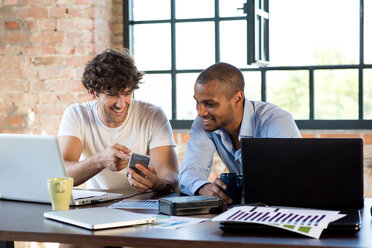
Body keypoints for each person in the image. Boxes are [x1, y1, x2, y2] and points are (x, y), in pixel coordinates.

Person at [178, 62, 301, 204]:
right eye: (198, 102)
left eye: (210, 104)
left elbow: (292, 178)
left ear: (237, 98)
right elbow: (188, 172)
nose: (200, 112)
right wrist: (203, 187)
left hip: (286, 209)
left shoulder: (275, 120)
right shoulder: (205, 122)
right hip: (248, 209)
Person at [58, 48, 178, 193]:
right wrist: (101, 160)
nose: (121, 104)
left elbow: (172, 177)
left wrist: (156, 183)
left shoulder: (153, 115)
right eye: (112, 95)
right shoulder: (77, 114)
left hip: (145, 204)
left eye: (127, 93)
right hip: (98, 206)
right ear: (93, 92)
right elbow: (62, 174)